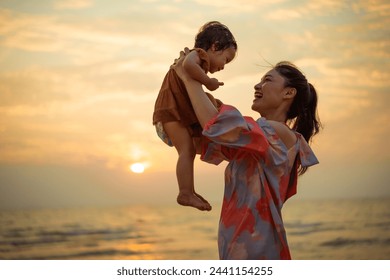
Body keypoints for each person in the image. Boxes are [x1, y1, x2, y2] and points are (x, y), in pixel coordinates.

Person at [172, 48, 321, 259]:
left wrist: (190, 77)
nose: (257, 86)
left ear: (288, 93)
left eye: (267, 80)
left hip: (257, 251)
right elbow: (199, 140)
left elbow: (216, 126)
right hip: (239, 250)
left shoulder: (280, 133)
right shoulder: (255, 142)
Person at [153, 21, 237, 211]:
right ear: (214, 47)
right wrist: (207, 81)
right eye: (226, 59)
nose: (224, 66)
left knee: (188, 150)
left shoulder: (199, 61)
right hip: (170, 111)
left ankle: (188, 190)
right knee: (186, 151)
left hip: (173, 112)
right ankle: (185, 192)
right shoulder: (196, 55)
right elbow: (189, 66)